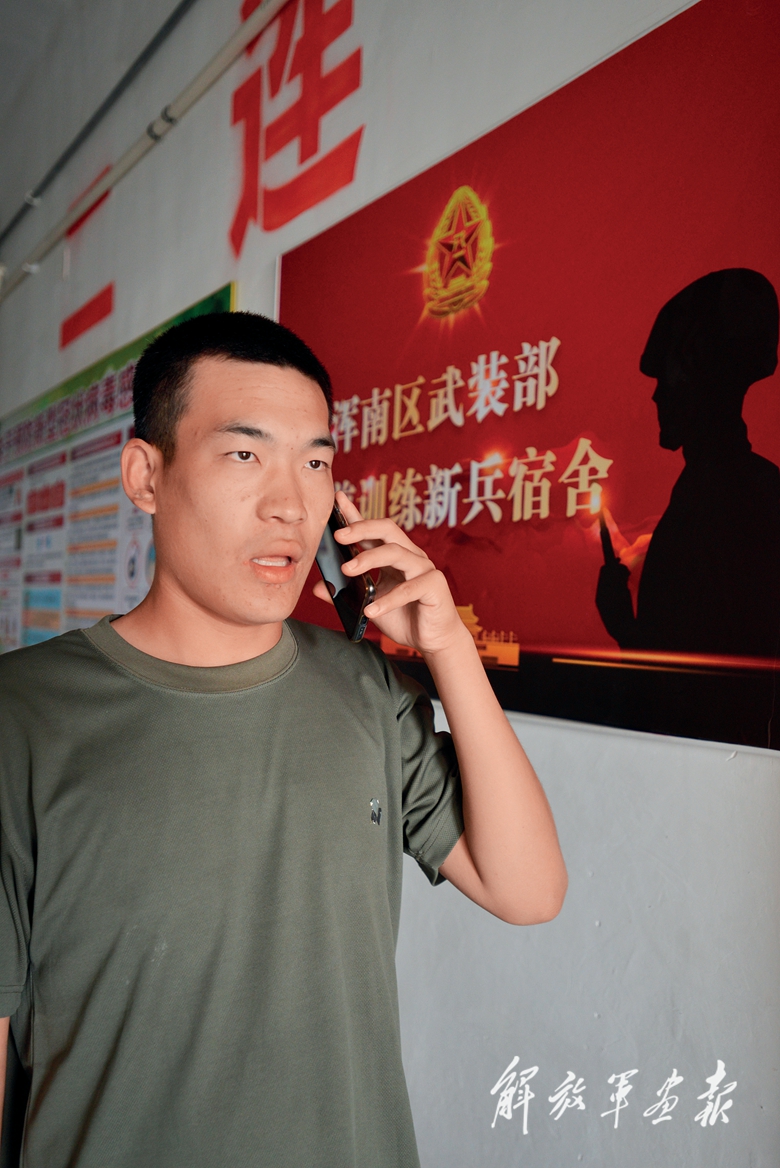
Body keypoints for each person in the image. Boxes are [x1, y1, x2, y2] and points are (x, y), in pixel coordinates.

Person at [0, 312, 567, 1168]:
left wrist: (449, 649)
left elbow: (528, 890)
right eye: (244, 454)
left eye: (315, 463)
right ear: (146, 475)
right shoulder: (23, 714)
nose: (290, 505)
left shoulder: (369, 693)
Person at [596, 268, 780, 658]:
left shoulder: (728, 497)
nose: (656, 397)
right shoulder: (740, 486)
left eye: (667, 378)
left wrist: (622, 623)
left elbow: (700, 669)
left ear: (700, 375)